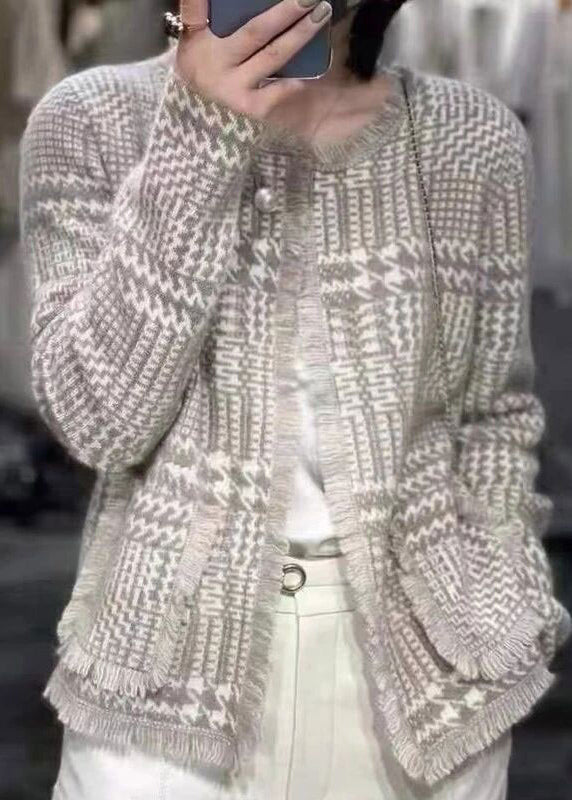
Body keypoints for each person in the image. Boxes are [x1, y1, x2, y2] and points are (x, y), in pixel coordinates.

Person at [19, 0, 571, 798]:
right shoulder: (94, 118)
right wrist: (199, 136)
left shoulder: (470, 137)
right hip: (160, 683)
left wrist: (506, 597)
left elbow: (493, 416)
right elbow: (98, 420)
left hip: (428, 685)